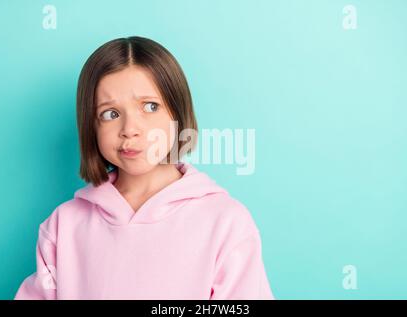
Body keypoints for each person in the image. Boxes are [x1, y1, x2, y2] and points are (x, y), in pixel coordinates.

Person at [14, 36, 274, 299]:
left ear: (177, 113)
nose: (130, 130)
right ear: (91, 126)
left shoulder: (226, 222)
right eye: (110, 114)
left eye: (150, 107)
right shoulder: (64, 225)